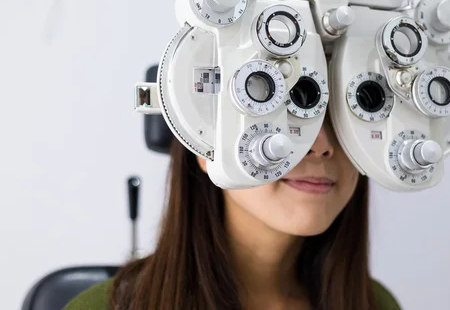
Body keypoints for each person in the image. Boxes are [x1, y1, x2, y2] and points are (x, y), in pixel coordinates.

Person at [64, 114, 402, 309]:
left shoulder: (374, 304)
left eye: (347, 112)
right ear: (205, 141)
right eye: (286, 110)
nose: (323, 144)